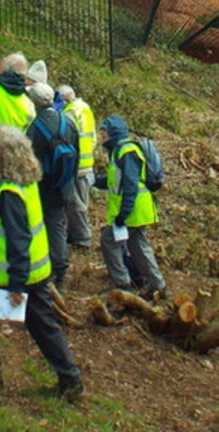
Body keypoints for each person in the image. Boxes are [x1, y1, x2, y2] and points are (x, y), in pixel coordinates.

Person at [0, 125, 83, 404]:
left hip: (11, 277)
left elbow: (17, 240)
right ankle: (70, 378)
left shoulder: (8, 192)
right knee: (43, 326)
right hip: (36, 272)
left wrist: (16, 285)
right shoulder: (26, 183)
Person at [97, 115, 165, 299]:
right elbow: (115, 182)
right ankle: (157, 286)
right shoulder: (119, 150)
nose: (101, 135)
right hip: (138, 210)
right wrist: (95, 181)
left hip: (133, 210)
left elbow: (130, 185)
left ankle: (122, 284)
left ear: (113, 133)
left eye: (103, 132)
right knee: (138, 246)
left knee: (109, 240)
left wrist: (122, 214)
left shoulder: (125, 152)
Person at [25, 80, 78, 290]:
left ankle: (44, 268)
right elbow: (78, 153)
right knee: (57, 225)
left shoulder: (34, 127)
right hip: (65, 183)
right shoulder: (68, 122)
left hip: (43, 185)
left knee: (39, 226)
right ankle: (61, 270)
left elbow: (31, 159)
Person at [58, 85, 95, 249]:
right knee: (79, 202)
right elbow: (92, 137)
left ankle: (83, 239)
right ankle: (74, 235)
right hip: (87, 162)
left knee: (76, 204)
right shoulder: (85, 108)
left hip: (76, 164)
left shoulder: (70, 112)